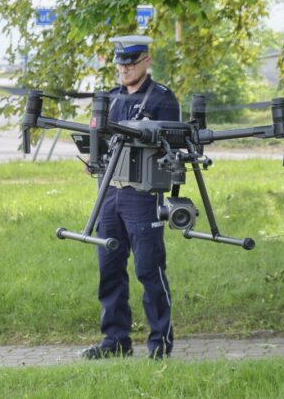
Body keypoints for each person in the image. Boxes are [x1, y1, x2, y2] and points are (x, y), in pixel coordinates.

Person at [81, 35, 180, 360]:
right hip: (109, 193)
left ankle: (159, 345)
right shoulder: (109, 99)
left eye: (130, 63)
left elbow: (174, 148)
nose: (124, 69)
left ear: (146, 61)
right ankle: (115, 342)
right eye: (120, 64)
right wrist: (92, 158)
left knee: (149, 270)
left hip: (143, 195)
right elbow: (99, 141)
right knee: (109, 268)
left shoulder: (163, 99)